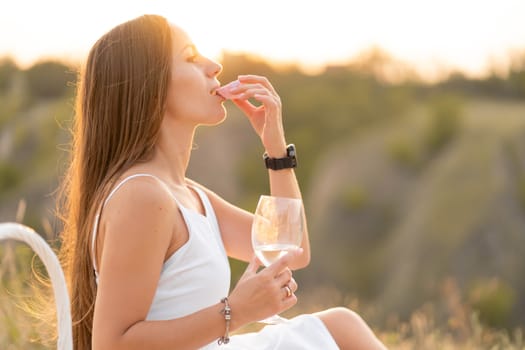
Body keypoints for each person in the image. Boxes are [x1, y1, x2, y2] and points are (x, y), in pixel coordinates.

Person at [58, 14, 387, 349]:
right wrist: (237, 310)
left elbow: (292, 251)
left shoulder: (188, 195)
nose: (214, 65)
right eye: (190, 58)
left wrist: (276, 150)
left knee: (340, 326)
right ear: (148, 84)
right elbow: (111, 344)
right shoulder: (143, 196)